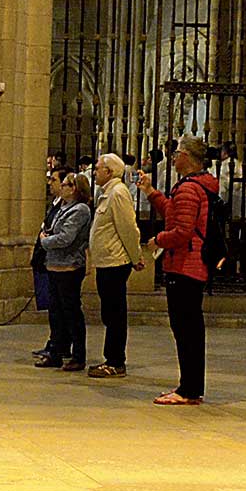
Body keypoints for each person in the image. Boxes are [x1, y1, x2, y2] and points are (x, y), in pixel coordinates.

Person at [145, 137, 218, 404]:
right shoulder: (197, 186)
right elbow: (174, 213)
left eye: (176, 153)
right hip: (191, 265)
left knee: (186, 329)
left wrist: (158, 240)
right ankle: (190, 387)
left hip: (185, 266)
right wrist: (152, 193)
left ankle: (188, 390)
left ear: (187, 156)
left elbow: (183, 231)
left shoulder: (189, 188)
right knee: (190, 330)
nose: (173, 158)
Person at [88, 154, 146, 378]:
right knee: (109, 313)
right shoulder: (108, 193)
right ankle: (111, 357)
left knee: (115, 314)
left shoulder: (118, 193)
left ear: (109, 172)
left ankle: (115, 361)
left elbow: (128, 229)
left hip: (115, 262)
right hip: (106, 262)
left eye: (98, 168)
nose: (95, 172)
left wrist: (136, 257)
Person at [38, 169, 93, 372]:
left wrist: (45, 241)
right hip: (55, 264)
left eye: (66, 184)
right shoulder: (63, 207)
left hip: (69, 266)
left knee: (70, 312)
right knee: (55, 312)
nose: (61, 187)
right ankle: (56, 352)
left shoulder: (80, 210)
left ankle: (78, 355)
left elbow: (66, 238)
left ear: (76, 189)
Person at [32, 152, 68, 358]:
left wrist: (45, 238)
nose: (50, 183)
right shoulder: (56, 204)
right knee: (53, 307)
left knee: (62, 308)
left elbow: (63, 235)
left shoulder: (71, 208)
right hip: (48, 260)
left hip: (62, 262)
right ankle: (54, 342)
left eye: (54, 180)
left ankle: (60, 345)